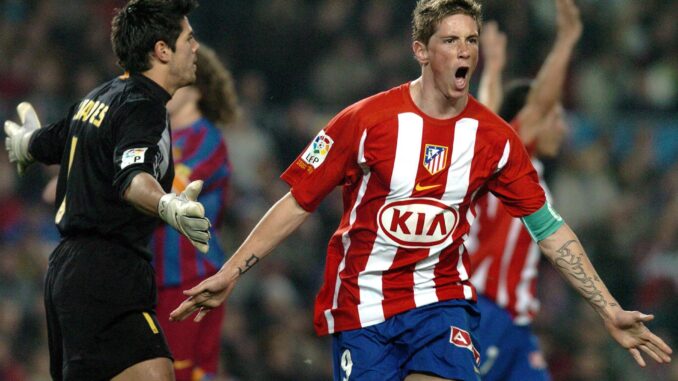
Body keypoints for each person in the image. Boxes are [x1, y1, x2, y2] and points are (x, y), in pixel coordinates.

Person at [170, 1, 673, 380]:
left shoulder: (495, 140)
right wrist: (231, 271)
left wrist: (608, 306)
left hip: (440, 301)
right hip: (362, 306)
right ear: (420, 50)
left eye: (471, 40)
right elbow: (298, 202)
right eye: (451, 40)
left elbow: (549, 228)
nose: (465, 51)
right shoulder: (364, 121)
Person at [3, 1, 208, 380]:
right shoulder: (144, 106)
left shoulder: (99, 98)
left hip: (69, 272)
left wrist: (25, 143)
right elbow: (132, 179)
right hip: (107, 273)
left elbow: (51, 142)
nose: (196, 48)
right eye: (189, 39)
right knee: (155, 374)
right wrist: (168, 205)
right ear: (162, 50)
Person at [467, 0, 584, 379]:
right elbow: (532, 107)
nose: (561, 128)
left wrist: (495, 71)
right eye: (556, 117)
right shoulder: (510, 158)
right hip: (487, 311)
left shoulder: (516, 166)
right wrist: (566, 40)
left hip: (516, 323)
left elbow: (487, 111)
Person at [152, 44, 238, 381]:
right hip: (159, 274)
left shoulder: (207, 139)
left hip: (190, 276)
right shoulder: (160, 136)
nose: (166, 88)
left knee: (180, 371)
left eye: (176, 81)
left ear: (198, 90)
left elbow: (172, 187)